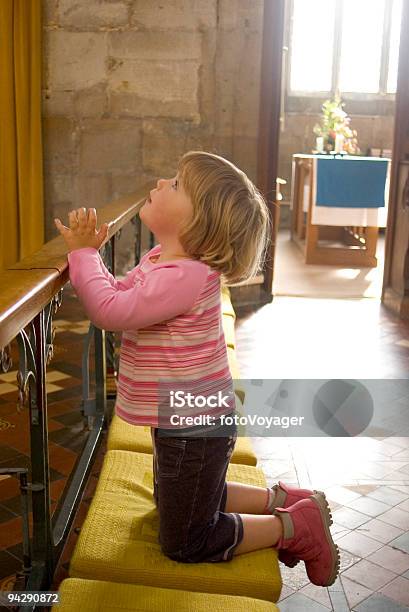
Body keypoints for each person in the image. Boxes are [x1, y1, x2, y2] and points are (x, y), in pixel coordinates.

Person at [54, 150, 339, 588]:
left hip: (194, 422)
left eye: (175, 185)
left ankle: (295, 527)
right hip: (188, 416)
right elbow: (122, 297)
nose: (160, 183)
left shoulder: (184, 276)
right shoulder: (163, 261)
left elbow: (108, 309)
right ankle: (283, 500)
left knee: (187, 538)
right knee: (186, 497)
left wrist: (82, 256)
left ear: (198, 223)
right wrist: (92, 256)